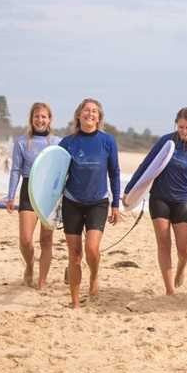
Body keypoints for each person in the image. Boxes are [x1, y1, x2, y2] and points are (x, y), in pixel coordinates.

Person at [124, 108, 187, 295]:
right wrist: (129, 190)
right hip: (160, 199)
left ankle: (181, 269)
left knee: (185, 249)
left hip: (183, 200)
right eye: (180, 127)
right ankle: (169, 289)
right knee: (164, 244)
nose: (183, 131)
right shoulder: (166, 141)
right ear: (176, 124)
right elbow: (146, 165)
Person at [58, 98, 121, 308]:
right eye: (86, 110)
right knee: (75, 255)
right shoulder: (67, 143)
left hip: (98, 202)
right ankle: (75, 301)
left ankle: (94, 275)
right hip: (72, 201)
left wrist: (116, 205)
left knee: (92, 249)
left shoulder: (107, 141)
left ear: (99, 117)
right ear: (78, 115)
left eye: (94, 111)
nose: (90, 114)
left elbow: (114, 173)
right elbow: (55, 175)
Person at [5, 102, 60, 290]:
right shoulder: (21, 142)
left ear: (49, 119)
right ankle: (29, 265)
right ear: (31, 119)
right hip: (29, 189)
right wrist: (10, 196)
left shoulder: (57, 142)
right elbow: (15, 170)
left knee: (46, 239)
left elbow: (63, 171)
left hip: (50, 194)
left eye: (44, 116)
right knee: (25, 239)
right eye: (37, 116)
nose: (40, 120)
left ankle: (42, 280)